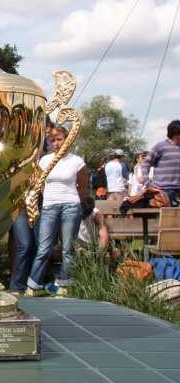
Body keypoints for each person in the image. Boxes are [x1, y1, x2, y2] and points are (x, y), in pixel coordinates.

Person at [26, 125, 87, 296]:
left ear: (67, 140)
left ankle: (64, 284)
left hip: (70, 205)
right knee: (44, 247)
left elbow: (82, 188)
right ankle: (33, 285)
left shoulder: (77, 162)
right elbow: (40, 183)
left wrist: (73, 200)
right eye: (53, 140)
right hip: (50, 206)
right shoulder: (45, 160)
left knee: (68, 248)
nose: (56, 143)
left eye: (59, 139)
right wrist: (48, 197)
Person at [140, 120, 180, 206]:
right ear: (175, 133)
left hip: (178, 190)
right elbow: (145, 164)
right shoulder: (160, 147)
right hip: (164, 190)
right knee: (166, 215)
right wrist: (148, 183)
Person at [76, 196, 120, 261]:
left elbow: (104, 237)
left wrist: (98, 254)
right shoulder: (73, 211)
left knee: (115, 252)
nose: (83, 218)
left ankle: (110, 265)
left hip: (94, 244)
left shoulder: (96, 215)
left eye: (85, 216)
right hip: (79, 242)